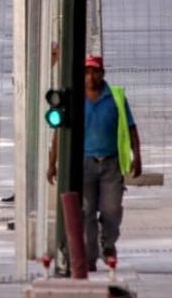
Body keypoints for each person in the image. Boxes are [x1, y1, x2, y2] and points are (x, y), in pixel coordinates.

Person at [47, 55, 142, 272]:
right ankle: (89, 257)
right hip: (84, 163)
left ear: (103, 73)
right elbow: (58, 134)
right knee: (86, 211)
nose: (91, 77)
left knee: (112, 210)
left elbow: (131, 129)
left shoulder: (115, 97)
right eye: (87, 72)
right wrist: (52, 163)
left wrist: (137, 156)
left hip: (111, 163)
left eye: (95, 72)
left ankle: (107, 243)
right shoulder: (73, 99)